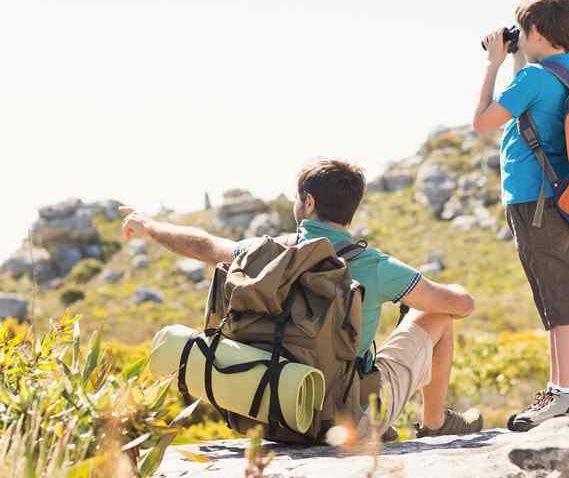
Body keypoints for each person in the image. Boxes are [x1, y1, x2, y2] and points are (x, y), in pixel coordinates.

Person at [120, 158, 483, 439]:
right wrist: (458, 292)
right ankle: (435, 425)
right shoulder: (374, 265)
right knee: (435, 316)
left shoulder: (260, 253)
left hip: (275, 407)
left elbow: (202, 245)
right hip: (343, 420)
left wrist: (150, 226)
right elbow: (460, 307)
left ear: (308, 202)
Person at [472, 0, 569, 431]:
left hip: (533, 200)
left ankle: (566, 392)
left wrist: (493, 64)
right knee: (562, 288)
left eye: (523, 33)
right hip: (564, 198)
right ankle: (563, 388)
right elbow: (528, 106)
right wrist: (519, 54)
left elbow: (483, 121)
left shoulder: (535, 79)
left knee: (554, 293)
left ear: (536, 32)